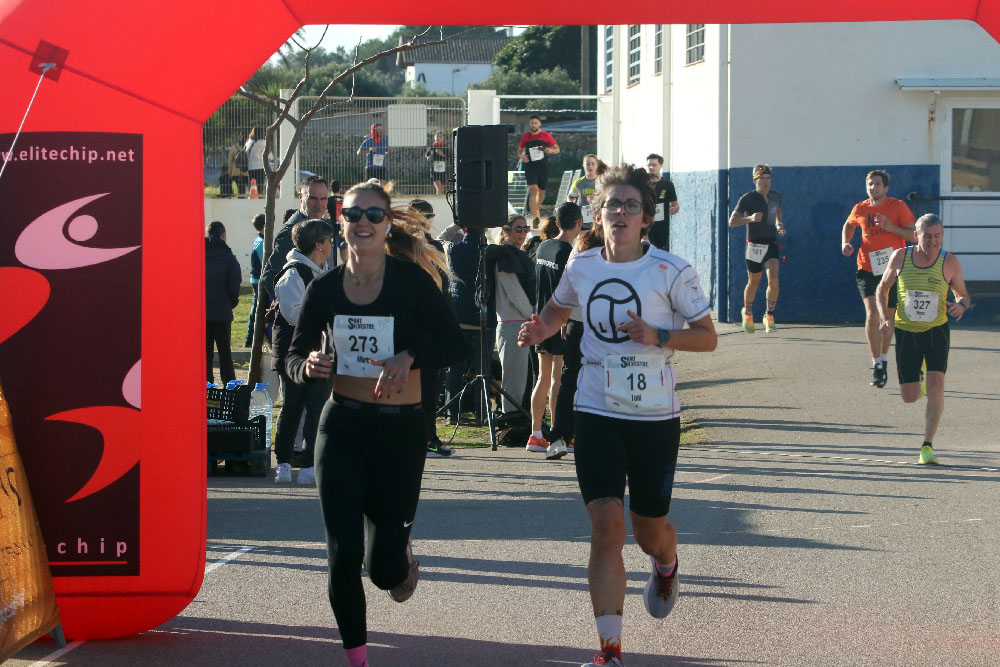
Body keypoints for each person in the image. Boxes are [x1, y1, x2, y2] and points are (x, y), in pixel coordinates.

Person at [519, 165, 716, 667]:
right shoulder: (581, 265)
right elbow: (559, 310)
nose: (621, 214)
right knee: (606, 527)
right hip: (596, 408)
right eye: (613, 205)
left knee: (650, 531)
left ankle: (666, 564)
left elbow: (707, 336)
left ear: (647, 219)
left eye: (631, 206)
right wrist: (539, 329)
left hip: (654, 417)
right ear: (598, 213)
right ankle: (610, 650)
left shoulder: (672, 270)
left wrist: (660, 336)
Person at [284, 182, 468, 667]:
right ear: (340, 222)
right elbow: (294, 353)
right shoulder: (323, 288)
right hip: (341, 426)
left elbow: (457, 346)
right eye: (353, 214)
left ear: (387, 226)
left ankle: (398, 550)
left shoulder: (410, 283)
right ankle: (358, 660)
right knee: (342, 555)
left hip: (400, 431)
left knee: (384, 573)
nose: (362, 222)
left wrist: (411, 355)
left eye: (373, 215)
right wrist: (307, 366)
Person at [876, 213, 970, 466]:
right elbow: (882, 288)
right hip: (906, 331)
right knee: (909, 396)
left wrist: (961, 306)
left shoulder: (949, 262)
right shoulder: (900, 257)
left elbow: (963, 295)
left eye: (938, 236)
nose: (933, 241)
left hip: (936, 331)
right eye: (927, 236)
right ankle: (919, 377)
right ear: (916, 236)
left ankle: (927, 446)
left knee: (937, 384)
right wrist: (885, 318)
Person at [271, 219, 335, 485]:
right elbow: (292, 312)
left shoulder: (324, 271)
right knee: (292, 407)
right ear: (318, 245)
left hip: (320, 354)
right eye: (329, 240)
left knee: (317, 407)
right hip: (293, 354)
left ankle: (310, 464)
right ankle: (284, 462)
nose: (333, 244)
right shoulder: (293, 274)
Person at [841, 170, 916, 387]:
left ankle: (883, 358)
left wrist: (890, 227)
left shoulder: (898, 206)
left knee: (887, 319)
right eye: (869, 184)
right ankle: (876, 363)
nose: (873, 187)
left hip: (892, 270)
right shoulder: (860, 208)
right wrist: (845, 243)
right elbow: (848, 224)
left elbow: (913, 235)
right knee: (873, 314)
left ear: (886, 188)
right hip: (867, 268)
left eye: (877, 184)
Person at [527, 202, 583, 459]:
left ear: (557, 223)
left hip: (540, 318)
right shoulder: (567, 253)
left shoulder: (543, 247)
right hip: (558, 322)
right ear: (579, 223)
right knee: (557, 380)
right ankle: (557, 435)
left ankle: (536, 433)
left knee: (543, 378)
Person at [407, 199, 453, 457]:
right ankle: (425, 435)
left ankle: (426, 435)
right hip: (421, 324)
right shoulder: (403, 246)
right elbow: (443, 287)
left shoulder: (432, 246)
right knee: (426, 384)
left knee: (426, 384)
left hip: (422, 324)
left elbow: (444, 286)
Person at [729, 164, 786, 333]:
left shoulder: (776, 197)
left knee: (774, 279)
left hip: (771, 245)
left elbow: (778, 217)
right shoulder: (748, 198)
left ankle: (769, 315)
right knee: (754, 282)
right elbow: (732, 222)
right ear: (755, 180)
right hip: (754, 246)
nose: (766, 182)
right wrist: (750, 219)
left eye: (768, 178)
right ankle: (747, 312)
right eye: (762, 178)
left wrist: (780, 226)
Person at [488, 215, 535, 415]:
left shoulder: (511, 254)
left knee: (520, 378)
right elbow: (514, 293)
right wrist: (534, 316)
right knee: (514, 380)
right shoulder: (505, 256)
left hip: (518, 321)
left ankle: (516, 418)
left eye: (526, 229)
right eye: (518, 229)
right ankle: (511, 420)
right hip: (513, 322)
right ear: (506, 231)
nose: (523, 233)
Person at [260, 175, 330, 300]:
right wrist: (288, 307)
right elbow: (269, 277)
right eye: (312, 198)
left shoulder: (322, 226)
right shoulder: (291, 232)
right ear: (301, 197)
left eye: (323, 199)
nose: (319, 204)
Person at [444, 225, 482, 425]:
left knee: (455, 367)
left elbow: (441, 238)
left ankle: (452, 413)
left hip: (458, 314)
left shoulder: (452, 249)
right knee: (482, 368)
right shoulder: (486, 251)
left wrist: (458, 223)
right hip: (480, 315)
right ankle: (480, 412)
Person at [205, 220, 241, 385]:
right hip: (222, 312)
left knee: (204, 355)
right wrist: (230, 303)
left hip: (202, 313)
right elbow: (234, 285)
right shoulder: (228, 258)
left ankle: (206, 386)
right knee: (225, 354)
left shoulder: (198, 255)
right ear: (223, 235)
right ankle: (229, 387)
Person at [517, 115, 560, 223]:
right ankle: (535, 217)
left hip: (542, 167)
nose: (533, 125)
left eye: (536, 123)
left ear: (539, 124)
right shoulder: (525, 136)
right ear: (529, 124)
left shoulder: (545, 136)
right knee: (533, 190)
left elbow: (557, 149)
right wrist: (522, 156)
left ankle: (535, 209)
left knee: (541, 193)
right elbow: (520, 150)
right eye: (532, 123)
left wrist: (550, 150)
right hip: (530, 166)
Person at [645, 153, 679, 251]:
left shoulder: (667, 184)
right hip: (646, 225)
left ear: (660, 166)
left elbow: (675, 204)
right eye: (649, 165)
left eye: (654, 165)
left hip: (662, 226)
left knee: (661, 252)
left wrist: (674, 209)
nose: (651, 167)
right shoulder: (643, 184)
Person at [244, 213, 266, 347]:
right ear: (265, 225)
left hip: (255, 278)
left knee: (255, 308)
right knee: (259, 309)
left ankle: (249, 340)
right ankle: (251, 339)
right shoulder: (262, 243)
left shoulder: (258, 240)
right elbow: (265, 262)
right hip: (259, 279)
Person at [568, 154, 607, 227]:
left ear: (597, 165)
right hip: (583, 220)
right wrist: (571, 206)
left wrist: (597, 198)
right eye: (587, 164)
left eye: (593, 164)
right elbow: (570, 196)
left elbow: (610, 197)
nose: (590, 166)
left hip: (600, 220)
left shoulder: (603, 181)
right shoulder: (578, 183)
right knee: (583, 238)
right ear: (583, 165)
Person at [244, 126, 270, 194]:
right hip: (260, 168)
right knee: (260, 186)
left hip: (250, 168)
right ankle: (260, 199)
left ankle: (253, 198)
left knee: (253, 186)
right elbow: (270, 156)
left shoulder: (248, 142)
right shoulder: (263, 142)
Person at [425, 130, 448, 195]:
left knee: (442, 184)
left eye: (440, 136)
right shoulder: (432, 146)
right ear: (434, 137)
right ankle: (438, 193)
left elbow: (450, 157)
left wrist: (442, 154)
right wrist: (428, 157)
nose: (438, 137)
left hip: (443, 167)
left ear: (443, 137)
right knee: (437, 184)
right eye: (437, 136)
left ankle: (440, 194)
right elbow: (427, 154)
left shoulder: (446, 146)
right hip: (434, 167)